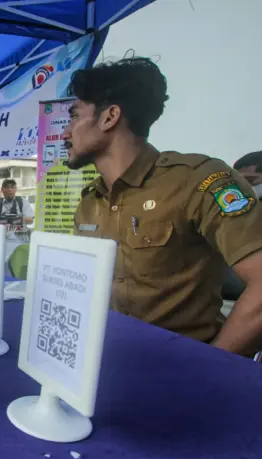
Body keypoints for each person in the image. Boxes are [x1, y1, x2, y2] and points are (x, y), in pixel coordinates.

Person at [64, 57, 262, 356]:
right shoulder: (90, 202)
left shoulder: (198, 180)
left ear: (110, 117)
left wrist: (211, 367)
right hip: (110, 362)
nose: (65, 133)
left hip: (185, 369)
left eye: (74, 116)